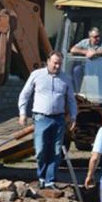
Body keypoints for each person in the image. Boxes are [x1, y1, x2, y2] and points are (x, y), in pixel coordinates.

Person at [18, 51, 77, 189]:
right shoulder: (36, 75)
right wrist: (22, 113)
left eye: (60, 64)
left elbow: (71, 100)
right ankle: (41, 177)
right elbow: (25, 94)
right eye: (55, 63)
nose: (57, 66)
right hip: (41, 118)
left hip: (59, 119)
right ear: (48, 60)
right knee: (41, 149)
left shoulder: (65, 78)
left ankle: (50, 180)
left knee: (56, 151)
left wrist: (73, 116)